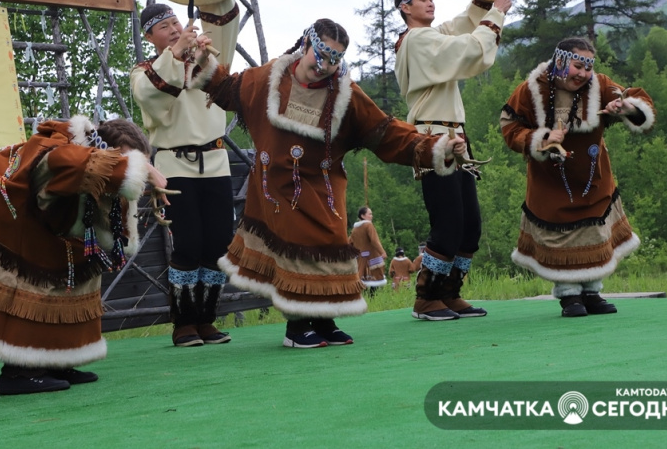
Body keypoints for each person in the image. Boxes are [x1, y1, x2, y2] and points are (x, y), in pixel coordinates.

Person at [190, 18, 466, 348]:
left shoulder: (344, 94)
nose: (324, 66)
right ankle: (296, 326)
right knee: (294, 245)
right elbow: (225, 89)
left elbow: (386, 132)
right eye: (320, 56)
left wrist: (435, 145)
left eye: (335, 60)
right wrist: (201, 59)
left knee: (331, 244)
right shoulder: (266, 79)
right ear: (305, 45)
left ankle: (324, 320)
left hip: (324, 186)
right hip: (277, 187)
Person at [0, 117, 161, 395]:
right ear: (102, 149)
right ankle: (19, 371)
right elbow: (70, 164)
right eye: (130, 160)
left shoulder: (84, 153)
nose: (138, 171)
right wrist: (134, 168)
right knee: (27, 282)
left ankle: (57, 360)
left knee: (79, 271)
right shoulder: (58, 145)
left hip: (32, 220)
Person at [500, 37, 654, 317]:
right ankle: (569, 296)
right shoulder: (530, 90)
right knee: (557, 236)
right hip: (549, 181)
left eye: (588, 67)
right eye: (577, 65)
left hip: (593, 179)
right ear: (559, 61)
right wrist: (542, 138)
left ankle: (592, 292)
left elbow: (638, 100)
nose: (583, 74)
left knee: (594, 232)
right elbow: (510, 126)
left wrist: (626, 108)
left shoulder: (601, 85)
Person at [393, 0, 512, 321]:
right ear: (405, 8)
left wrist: (483, 1)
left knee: (469, 224)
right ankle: (426, 298)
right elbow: (468, 48)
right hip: (433, 140)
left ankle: (448, 293)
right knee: (449, 222)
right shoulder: (418, 40)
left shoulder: (429, 37)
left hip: (454, 138)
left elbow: (461, 27)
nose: (430, 3)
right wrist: (498, 12)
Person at [130, 0, 240, 347]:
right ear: (150, 36)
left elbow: (225, 21)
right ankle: (184, 322)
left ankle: (207, 319)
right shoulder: (143, 72)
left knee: (219, 243)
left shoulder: (205, 59)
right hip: (175, 166)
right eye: (164, 27)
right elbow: (153, 95)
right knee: (188, 243)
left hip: (216, 162)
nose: (175, 29)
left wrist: (203, 52)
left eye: (176, 22)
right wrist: (176, 56)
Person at [350, 206, 387, 291]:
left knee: (363, 281)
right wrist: (382, 252)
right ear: (363, 216)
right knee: (375, 282)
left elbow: (350, 242)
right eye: (369, 214)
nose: (371, 216)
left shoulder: (355, 229)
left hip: (360, 260)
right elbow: (374, 240)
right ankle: (374, 301)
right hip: (372, 258)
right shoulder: (368, 225)